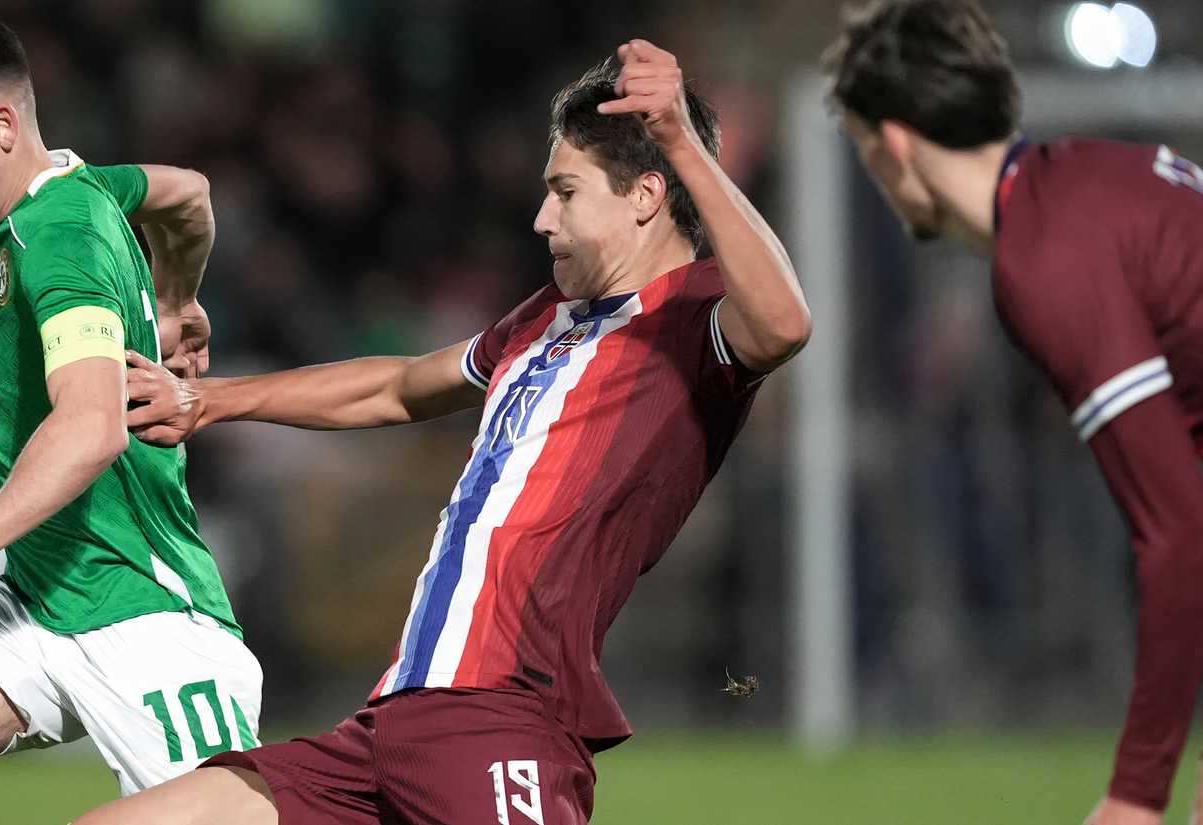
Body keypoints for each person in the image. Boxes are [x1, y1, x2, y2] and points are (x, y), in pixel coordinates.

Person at [71, 39, 810, 825]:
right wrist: (207, 401)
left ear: (646, 194)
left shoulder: (693, 321)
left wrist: (680, 139)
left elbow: (784, 323)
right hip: (386, 730)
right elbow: (397, 386)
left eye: (565, 191)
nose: (542, 219)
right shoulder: (546, 322)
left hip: (501, 715)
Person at [0, 2, 260, 822]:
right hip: (45, 594)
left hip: (143, 611)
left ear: (0, 124)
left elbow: (91, 428)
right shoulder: (73, 190)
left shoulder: (57, 235)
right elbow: (188, 193)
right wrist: (178, 298)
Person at [823, 2, 1203, 823]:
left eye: (863, 147)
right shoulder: (1084, 179)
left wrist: (1136, 791)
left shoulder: (1047, 259)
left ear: (894, 143)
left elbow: (1181, 538)